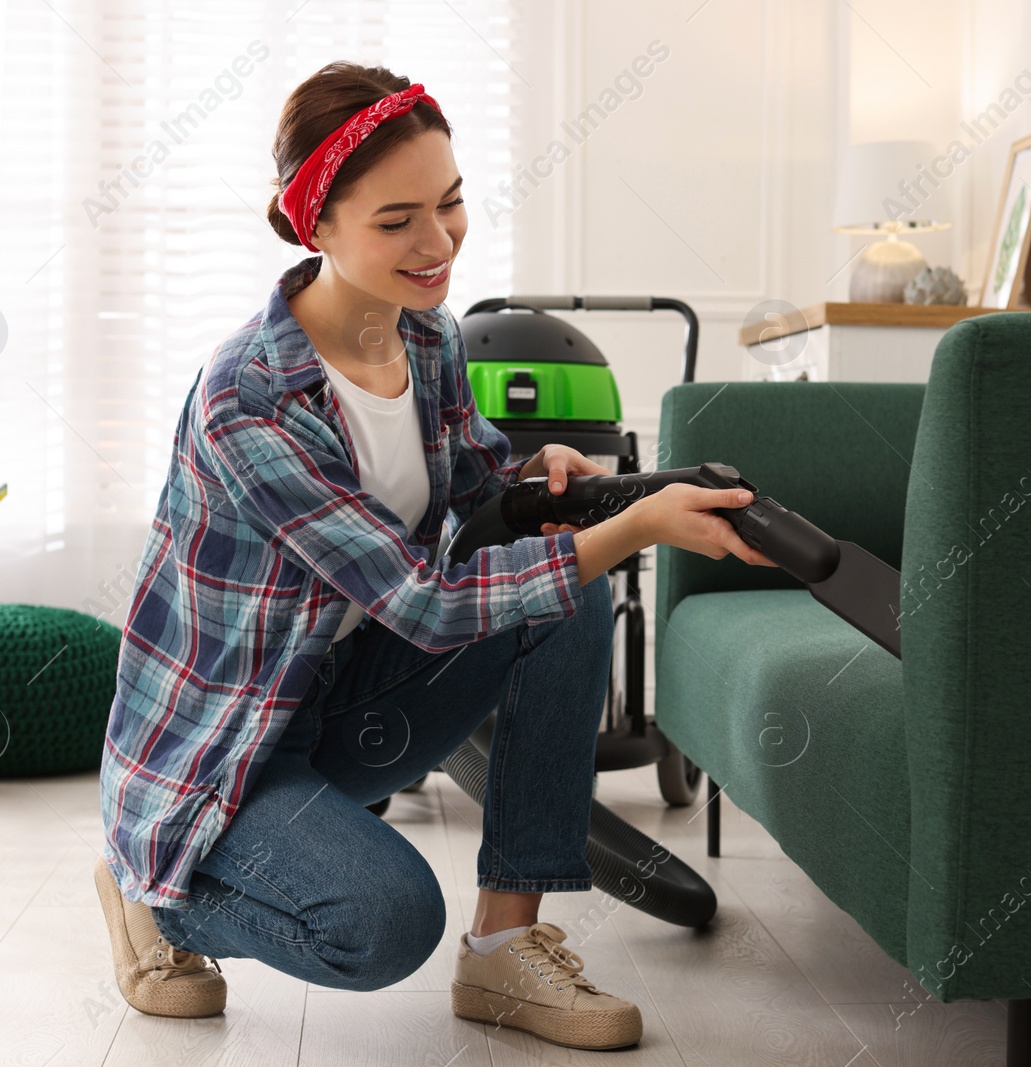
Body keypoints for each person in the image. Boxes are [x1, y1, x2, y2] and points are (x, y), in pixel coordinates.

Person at [93, 60, 776, 1051]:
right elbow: (425, 601)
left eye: (450, 204)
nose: (436, 242)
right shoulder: (251, 400)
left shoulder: (425, 337)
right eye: (396, 219)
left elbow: (465, 486)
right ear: (313, 225)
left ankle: (506, 952)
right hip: (230, 752)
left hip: (347, 696)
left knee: (564, 588)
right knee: (380, 924)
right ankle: (151, 895)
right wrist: (631, 528)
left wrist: (526, 478)